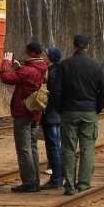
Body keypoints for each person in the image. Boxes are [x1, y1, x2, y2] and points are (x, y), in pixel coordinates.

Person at [49, 34, 104, 195]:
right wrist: (97, 108)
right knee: (87, 149)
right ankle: (83, 184)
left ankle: (69, 185)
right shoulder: (95, 65)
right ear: (87, 46)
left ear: (73, 46)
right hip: (89, 112)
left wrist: (60, 108)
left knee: (68, 149)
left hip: (69, 112)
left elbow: (56, 91)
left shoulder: (65, 65)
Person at [0, 42, 48, 192]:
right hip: (35, 113)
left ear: (31, 53)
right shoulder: (41, 67)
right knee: (32, 147)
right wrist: (19, 68)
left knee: (24, 148)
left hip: (23, 113)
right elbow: (28, 79)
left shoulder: (29, 70)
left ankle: (29, 182)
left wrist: (6, 63)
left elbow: (6, 78)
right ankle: (35, 180)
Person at [40, 46, 64, 189]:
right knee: (57, 146)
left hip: (52, 114)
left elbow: (53, 94)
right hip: (58, 114)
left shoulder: (53, 73)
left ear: (50, 58)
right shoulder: (60, 70)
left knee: (53, 146)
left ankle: (57, 177)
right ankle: (60, 174)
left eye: (45, 54)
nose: (43, 56)